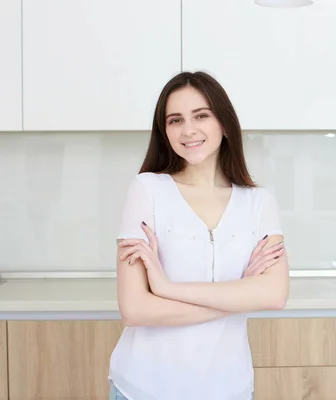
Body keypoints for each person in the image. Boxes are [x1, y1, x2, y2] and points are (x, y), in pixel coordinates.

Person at [108, 71, 289, 400]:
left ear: (223, 121)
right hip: (144, 388)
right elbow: (135, 310)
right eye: (175, 120)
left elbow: (274, 294)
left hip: (228, 389)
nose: (188, 130)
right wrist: (239, 296)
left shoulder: (259, 202)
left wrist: (166, 290)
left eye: (201, 116)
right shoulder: (147, 190)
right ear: (165, 131)